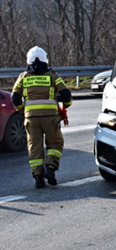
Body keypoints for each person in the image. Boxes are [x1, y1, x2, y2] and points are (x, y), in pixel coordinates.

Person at [11, 46, 73, 189]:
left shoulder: (23, 77)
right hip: (51, 118)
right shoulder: (52, 75)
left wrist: (22, 110)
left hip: (31, 119)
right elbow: (66, 96)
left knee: (34, 147)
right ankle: (50, 168)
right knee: (56, 143)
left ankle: (38, 177)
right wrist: (67, 105)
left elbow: (15, 97)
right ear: (45, 59)